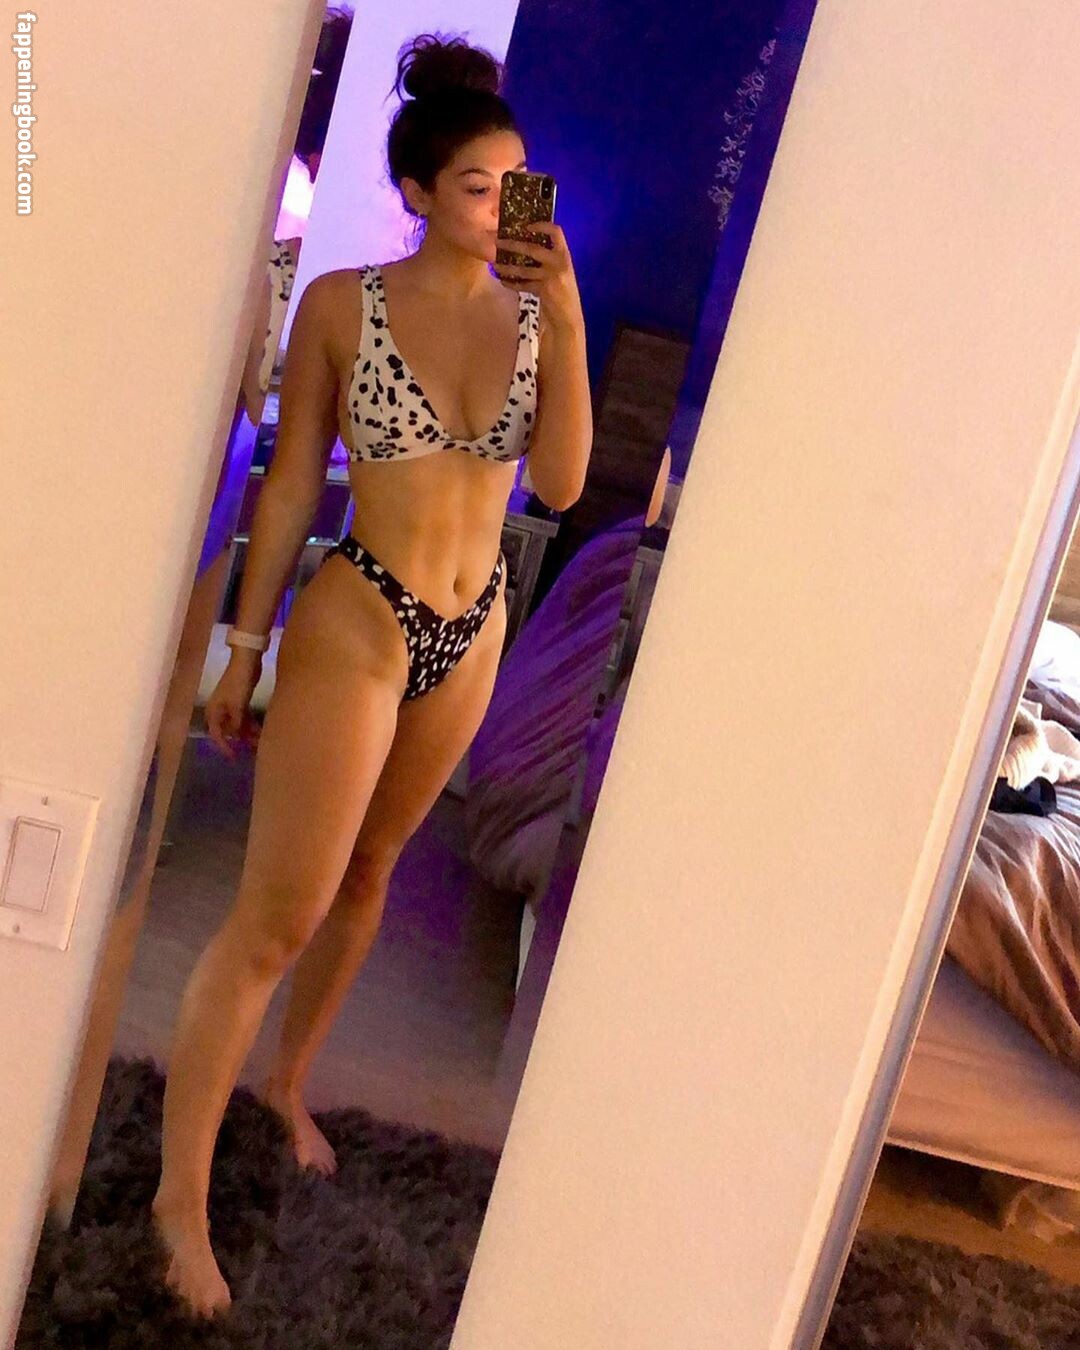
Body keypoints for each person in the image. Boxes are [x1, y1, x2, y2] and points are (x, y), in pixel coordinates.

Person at [151, 32, 593, 1317]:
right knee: (275, 915)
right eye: (477, 186)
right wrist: (244, 647)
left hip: (474, 626)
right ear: (416, 191)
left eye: (519, 184)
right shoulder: (344, 304)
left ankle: (286, 1082)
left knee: (372, 873)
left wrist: (567, 317)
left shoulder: (536, 316)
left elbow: (563, 486)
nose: (504, 208)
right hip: (362, 615)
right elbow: (294, 480)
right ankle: (176, 1201)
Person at [45, 8, 352, 1230]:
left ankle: (231, 1090)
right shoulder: (256, 236)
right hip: (157, 474)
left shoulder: (279, 236)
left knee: (147, 796)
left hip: (214, 478)